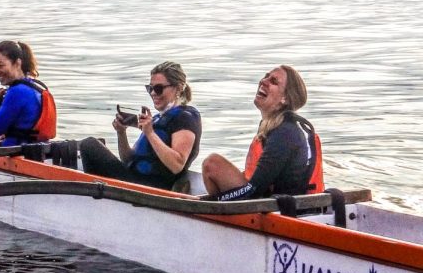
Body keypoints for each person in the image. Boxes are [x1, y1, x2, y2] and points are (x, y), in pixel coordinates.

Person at [202, 65, 323, 201]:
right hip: (268, 200)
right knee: (213, 166)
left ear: (285, 99)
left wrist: (211, 201)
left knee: (212, 164)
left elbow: (253, 190)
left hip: (281, 210)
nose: (263, 81)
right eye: (266, 76)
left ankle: (216, 217)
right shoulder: (273, 126)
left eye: (274, 81)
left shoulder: (285, 133)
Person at [79, 61, 202, 190]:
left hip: (151, 188)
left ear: (178, 88)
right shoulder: (156, 119)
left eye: (158, 89)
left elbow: (177, 165)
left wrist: (150, 133)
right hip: (133, 180)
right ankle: (96, 195)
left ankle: (94, 194)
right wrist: (121, 133)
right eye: (150, 89)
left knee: (90, 145)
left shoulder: (185, 117)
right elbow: (127, 160)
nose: (153, 93)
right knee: (93, 146)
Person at [0, 40, 55, 146]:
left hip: (15, 153)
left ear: (17, 63)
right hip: (35, 149)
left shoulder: (16, 92)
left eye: (0, 65)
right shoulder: (35, 86)